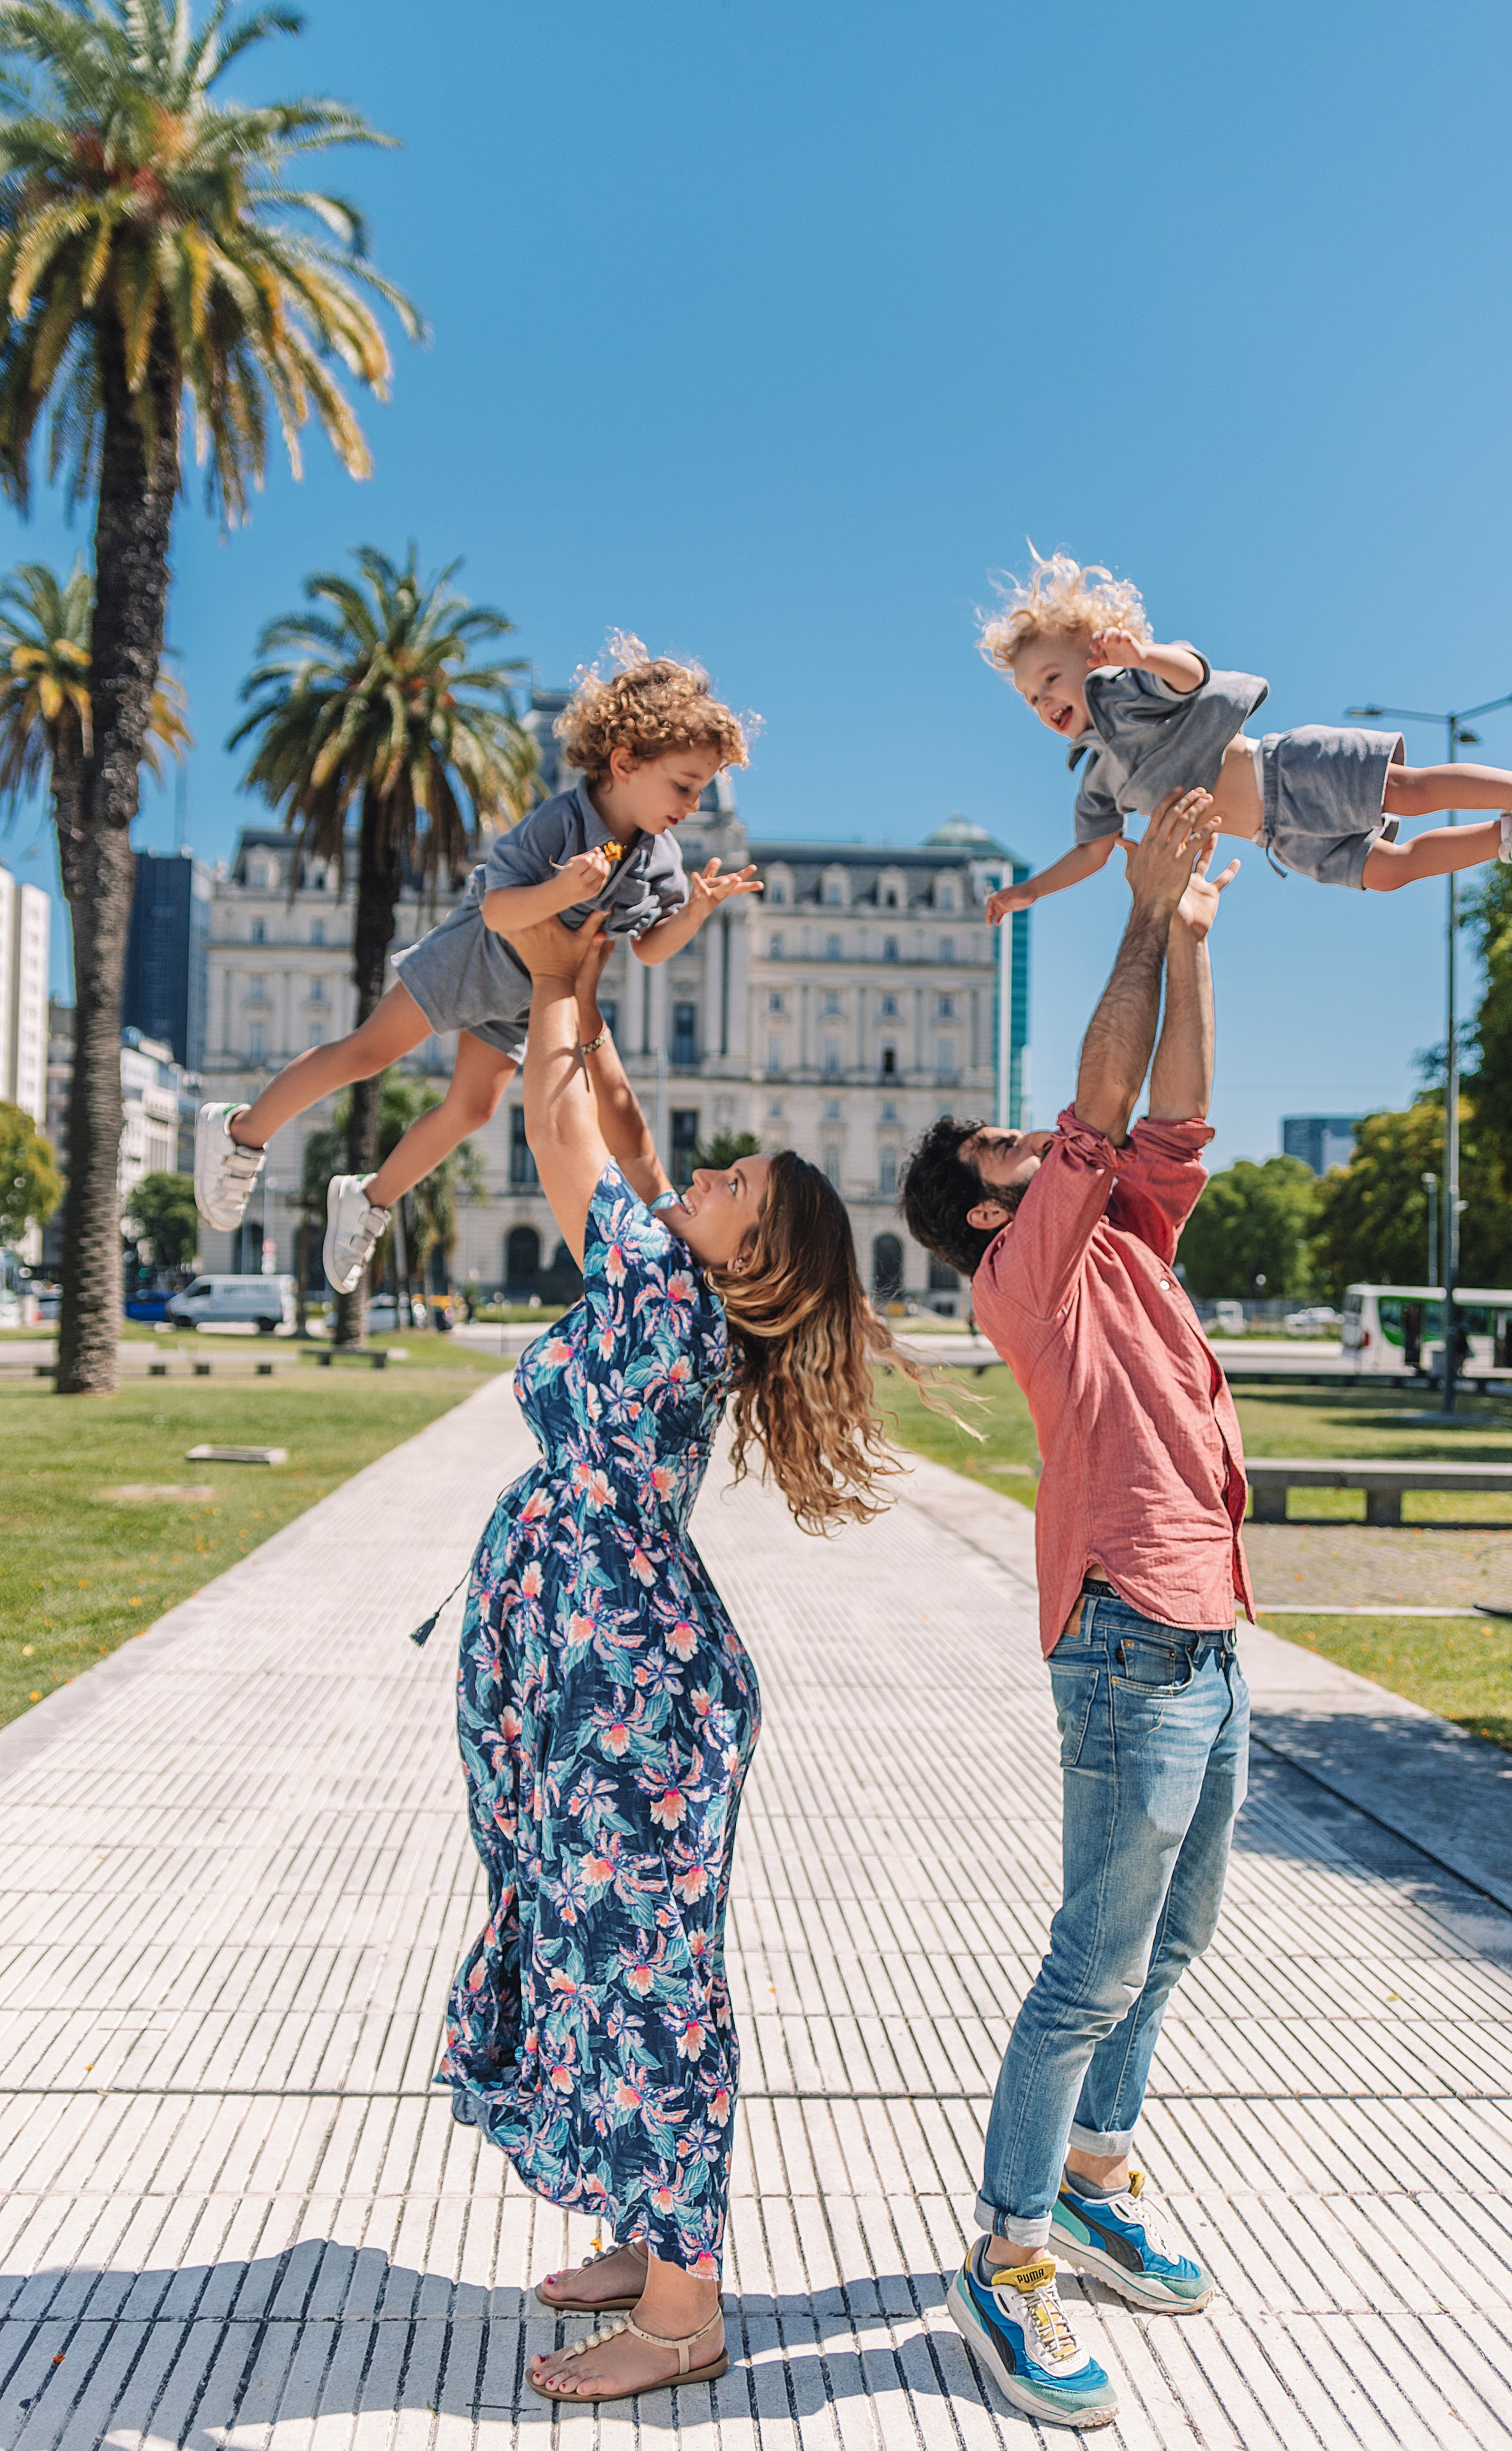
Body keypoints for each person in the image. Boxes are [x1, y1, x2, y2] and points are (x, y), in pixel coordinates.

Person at [439, 906, 929, 2408]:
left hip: (630, 1691)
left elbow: (554, 1106)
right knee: (602, 1949)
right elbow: (630, 1123)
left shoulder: (659, 1286)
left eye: (734, 1187)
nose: (706, 1175)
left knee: (649, 1975)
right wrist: (591, 955)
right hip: (602, 1672)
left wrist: (563, 960)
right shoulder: (673, 1273)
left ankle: (683, 2304)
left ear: (753, 1255)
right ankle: (644, 2227)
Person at [899, 790, 1250, 2432]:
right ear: (986, 1208)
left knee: (1169, 1944)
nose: (1044, 1143)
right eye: (1010, 1153)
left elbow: (1169, 1108)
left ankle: (1097, 2179)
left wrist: (1182, 934)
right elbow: (1107, 1101)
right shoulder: (1023, 1268)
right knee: (1086, 1967)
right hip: (1122, 1629)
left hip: (1210, 1625)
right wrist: (1132, 898)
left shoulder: (1120, 1234)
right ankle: (1007, 2248)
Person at [191, 640, 761, 1293]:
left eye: (703, 792)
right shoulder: (560, 822)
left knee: (470, 1110)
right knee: (368, 1052)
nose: (692, 806)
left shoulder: (660, 858)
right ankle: (241, 1132)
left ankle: (370, 1198)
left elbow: (646, 949)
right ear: (625, 762)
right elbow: (497, 909)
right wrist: (563, 892)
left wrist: (693, 913)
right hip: (475, 956)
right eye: (685, 786)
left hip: (525, 996)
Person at [979, 553, 1512, 929]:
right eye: (1031, 698)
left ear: (1094, 658)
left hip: (1285, 772)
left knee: (1405, 794)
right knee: (1387, 874)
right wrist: (1029, 890)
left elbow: (1192, 675)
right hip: (1277, 836)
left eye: (1051, 680)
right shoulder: (1098, 780)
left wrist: (1142, 655)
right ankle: (1506, 839)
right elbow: (1091, 852)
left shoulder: (1132, 688)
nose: (1044, 702)